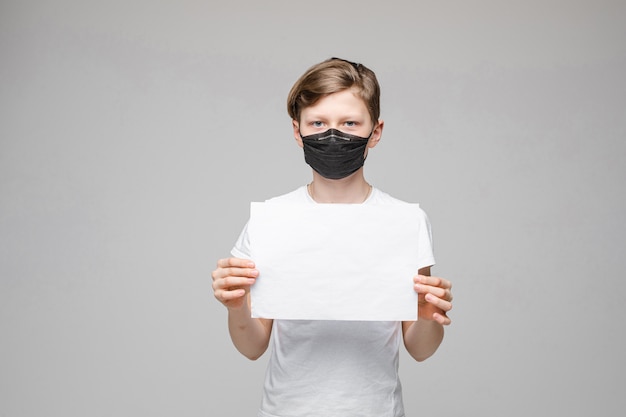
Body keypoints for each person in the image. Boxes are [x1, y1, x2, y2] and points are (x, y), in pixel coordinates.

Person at [211, 57, 453, 417]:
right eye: (318, 123)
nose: (333, 134)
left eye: (350, 123)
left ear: (376, 131)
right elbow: (251, 346)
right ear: (298, 132)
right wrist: (237, 306)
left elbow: (420, 348)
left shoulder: (405, 221)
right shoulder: (272, 221)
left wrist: (428, 313)